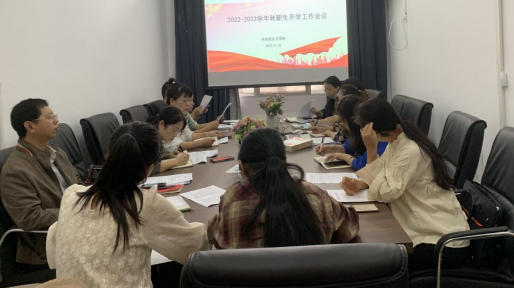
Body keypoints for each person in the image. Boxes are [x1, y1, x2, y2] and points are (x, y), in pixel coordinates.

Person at [47, 122, 209, 288]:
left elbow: (54, 255)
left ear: (108, 154)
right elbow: (196, 248)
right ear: (150, 168)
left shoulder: (72, 196)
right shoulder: (144, 205)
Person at [340, 99, 470, 271]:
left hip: (439, 241)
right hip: (421, 227)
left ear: (371, 129)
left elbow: (386, 193)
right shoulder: (397, 141)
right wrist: (361, 184)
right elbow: (383, 171)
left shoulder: (410, 150)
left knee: (372, 263)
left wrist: (371, 149)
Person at [208, 128, 359, 249]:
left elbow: (219, 241)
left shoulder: (233, 199)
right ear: (284, 161)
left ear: (241, 166)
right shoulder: (315, 194)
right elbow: (349, 228)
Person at [0, 99, 82, 269]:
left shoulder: (57, 152)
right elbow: (30, 218)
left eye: (55, 115)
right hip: (48, 245)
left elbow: (78, 183)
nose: (56, 120)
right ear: (30, 126)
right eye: (50, 117)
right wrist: (77, 211)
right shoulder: (15, 171)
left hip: (77, 227)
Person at [145, 107, 192, 174]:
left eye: (178, 132)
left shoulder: (157, 137)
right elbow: (144, 169)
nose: (175, 135)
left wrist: (163, 158)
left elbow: (150, 162)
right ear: (161, 124)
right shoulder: (148, 138)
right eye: (175, 130)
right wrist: (176, 162)